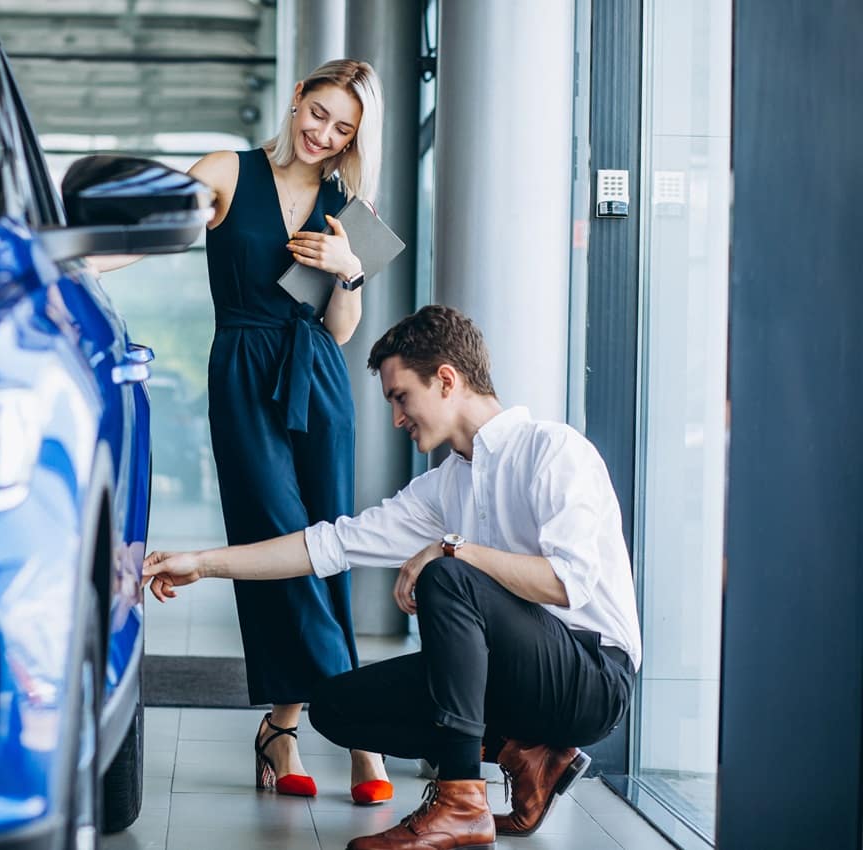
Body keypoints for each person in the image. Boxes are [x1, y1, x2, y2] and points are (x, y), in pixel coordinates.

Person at [143, 305, 642, 850]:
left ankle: (460, 800)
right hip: (511, 679)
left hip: (591, 676)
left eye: (401, 397)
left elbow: (567, 584)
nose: (397, 418)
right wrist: (204, 563)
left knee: (448, 576)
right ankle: (526, 752)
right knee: (336, 707)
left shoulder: (553, 450)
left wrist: (453, 550)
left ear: (446, 380)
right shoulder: (446, 484)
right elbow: (329, 544)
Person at [93, 58, 390, 803]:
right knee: (276, 531)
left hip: (318, 377)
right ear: (296, 99)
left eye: (344, 128)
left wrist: (350, 270)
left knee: (326, 544)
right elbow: (155, 231)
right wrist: (81, 263)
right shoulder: (229, 168)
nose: (324, 134)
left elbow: (341, 329)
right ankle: (363, 733)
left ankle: (281, 727)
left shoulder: (348, 203)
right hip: (244, 371)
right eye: (318, 113)